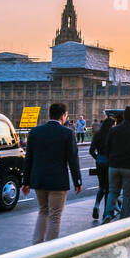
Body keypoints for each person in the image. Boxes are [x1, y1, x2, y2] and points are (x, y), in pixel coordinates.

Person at [22, 101, 83, 243]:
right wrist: (77, 181)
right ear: (63, 116)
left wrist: (26, 182)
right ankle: (49, 250)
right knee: (55, 216)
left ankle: (36, 244)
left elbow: (28, 158)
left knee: (43, 211)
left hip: (39, 180)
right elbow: (73, 160)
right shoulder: (67, 133)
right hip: (57, 181)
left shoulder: (35, 132)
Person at [104, 106, 130, 222]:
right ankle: (124, 219)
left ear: (123, 116)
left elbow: (107, 148)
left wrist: (110, 161)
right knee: (128, 194)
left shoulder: (114, 130)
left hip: (114, 165)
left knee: (113, 191)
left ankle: (108, 214)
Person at [89, 114, 115, 220]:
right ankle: (106, 212)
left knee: (101, 186)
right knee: (108, 188)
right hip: (109, 162)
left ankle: (96, 205)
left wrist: (98, 158)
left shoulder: (97, 134)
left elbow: (91, 151)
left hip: (99, 161)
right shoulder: (112, 135)